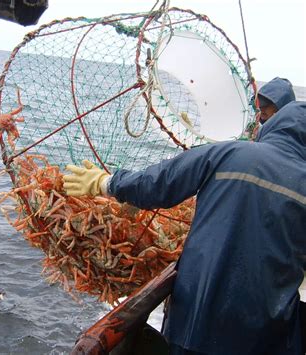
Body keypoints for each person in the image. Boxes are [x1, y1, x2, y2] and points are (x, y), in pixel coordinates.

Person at [63, 101, 305, 354]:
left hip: (195, 321)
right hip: (263, 334)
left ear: (273, 126)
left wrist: (106, 182)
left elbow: (158, 183)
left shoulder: (228, 153)